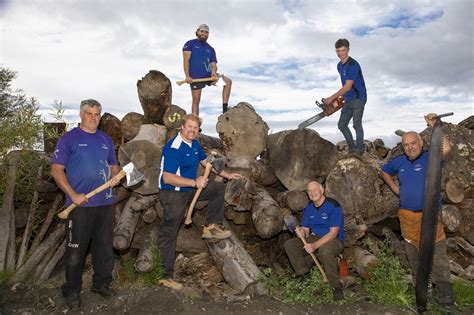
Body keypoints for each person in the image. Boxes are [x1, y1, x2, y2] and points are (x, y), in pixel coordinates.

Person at [157, 113, 242, 289]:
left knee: (217, 188)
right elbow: (167, 178)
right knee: (169, 233)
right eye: (189, 127)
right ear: (182, 127)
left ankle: (211, 226)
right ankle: (165, 276)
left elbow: (206, 162)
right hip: (172, 193)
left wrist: (227, 174)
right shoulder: (174, 147)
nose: (192, 130)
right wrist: (195, 182)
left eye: (196, 128)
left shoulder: (194, 143)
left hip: (188, 190)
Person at [51, 99, 120, 310]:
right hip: (79, 206)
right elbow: (56, 170)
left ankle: (101, 285)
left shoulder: (105, 139)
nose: (93, 117)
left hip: (105, 203)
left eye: (97, 114)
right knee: (75, 251)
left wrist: (116, 176)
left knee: (104, 247)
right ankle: (71, 291)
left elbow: (113, 166)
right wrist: (73, 194)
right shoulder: (69, 139)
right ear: (81, 115)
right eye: (89, 113)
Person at [381, 113, 454, 313]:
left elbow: (446, 148)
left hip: (430, 216)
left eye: (413, 143)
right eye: (406, 145)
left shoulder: (431, 157)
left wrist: (435, 126)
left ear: (421, 142)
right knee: (414, 259)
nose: (410, 147)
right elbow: (384, 170)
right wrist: (395, 188)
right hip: (407, 218)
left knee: (438, 259)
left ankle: (446, 301)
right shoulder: (399, 162)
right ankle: (422, 297)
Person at [283, 181, 345, 301]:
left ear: (322, 190)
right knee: (289, 245)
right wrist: (302, 232)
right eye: (309, 191)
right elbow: (306, 230)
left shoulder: (333, 205)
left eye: (315, 190)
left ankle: (336, 287)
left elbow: (333, 233)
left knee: (324, 251)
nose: (312, 193)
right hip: (315, 237)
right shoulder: (309, 208)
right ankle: (303, 276)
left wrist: (315, 245)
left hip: (334, 240)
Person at [324, 38, 367, 156]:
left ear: (348, 50)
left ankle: (359, 151)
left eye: (343, 50)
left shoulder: (353, 65)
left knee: (356, 124)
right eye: (338, 51)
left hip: (359, 98)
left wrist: (332, 98)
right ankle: (352, 149)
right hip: (348, 99)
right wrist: (339, 99)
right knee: (342, 125)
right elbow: (345, 86)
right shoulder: (339, 66)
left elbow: (348, 86)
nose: (341, 53)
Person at [183, 24, 232, 116]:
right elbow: (186, 61)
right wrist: (187, 76)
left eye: (206, 32)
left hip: (209, 76)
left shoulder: (210, 49)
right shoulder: (190, 44)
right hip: (195, 77)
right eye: (202, 31)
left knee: (228, 82)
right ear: (197, 32)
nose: (204, 34)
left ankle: (225, 109)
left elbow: (213, 64)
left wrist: (213, 72)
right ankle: (196, 123)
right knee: (196, 100)